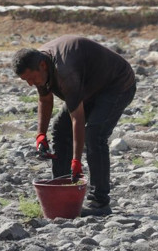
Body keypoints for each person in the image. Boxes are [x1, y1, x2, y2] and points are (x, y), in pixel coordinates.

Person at [11, 36, 136, 217]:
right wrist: (40, 135)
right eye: (25, 81)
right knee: (60, 129)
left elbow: (77, 119)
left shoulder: (64, 71)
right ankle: (61, 192)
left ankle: (99, 202)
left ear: (43, 66)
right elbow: (45, 99)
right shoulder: (38, 64)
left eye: (31, 78)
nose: (30, 83)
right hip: (88, 86)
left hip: (117, 84)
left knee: (95, 134)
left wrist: (76, 161)